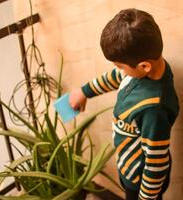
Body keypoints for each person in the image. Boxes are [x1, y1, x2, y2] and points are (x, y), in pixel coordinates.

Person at [69, 8, 179, 200]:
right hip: (129, 168)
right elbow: (116, 77)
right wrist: (85, 91)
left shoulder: (153, 110)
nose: (118, 70)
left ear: (144, 66)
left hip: (142, 184)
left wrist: (146, 197)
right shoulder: (147, 66)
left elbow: (156, 163)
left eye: (120, 66)